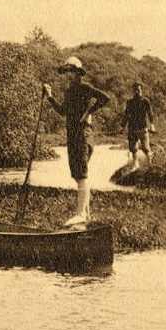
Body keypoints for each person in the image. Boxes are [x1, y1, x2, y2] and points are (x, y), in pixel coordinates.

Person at [42, 56, 111, 227]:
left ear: (78, 73)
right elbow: (62, 112)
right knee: (77, 173)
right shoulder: (69, 92)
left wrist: (89, 112)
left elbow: (104, 98)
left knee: (81, 174)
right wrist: (50, 96)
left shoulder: (84, 88)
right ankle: (85, 213)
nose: (68, 75)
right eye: (66, 72)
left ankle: (81, 214)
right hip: (73, 135)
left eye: (70, 71)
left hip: (83, 134)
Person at [122, 81, 157, 170]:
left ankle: (150, 165)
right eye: (135, 90)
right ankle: (135, 165)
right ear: (133, 91)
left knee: (146, 148)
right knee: (133, 148)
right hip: (132, 128)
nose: (137, 92)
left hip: (143, 128)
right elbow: (126, 115)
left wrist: (152, 125)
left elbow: (150, 114)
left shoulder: (145, 101)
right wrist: (122, 127)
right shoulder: (129, 102)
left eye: (138, 90)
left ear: (141, 90)